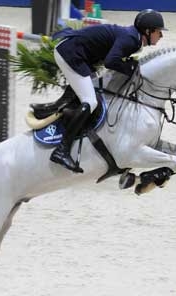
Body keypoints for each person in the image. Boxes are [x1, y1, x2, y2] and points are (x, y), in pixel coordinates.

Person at [50, 9, 167, 173]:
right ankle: (62, 150)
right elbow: (111, 62)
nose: (161, 35)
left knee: (95, 91)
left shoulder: (133, 38)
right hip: (71, 54)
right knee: (90, 101)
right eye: (158, 31)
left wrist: (130, 66)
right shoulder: (131, 39)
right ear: (147, 31)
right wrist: (131, 67)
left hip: (78, 54)